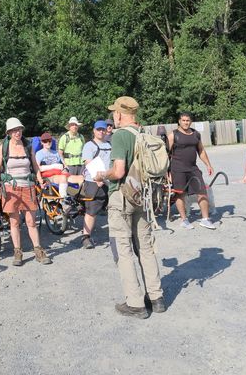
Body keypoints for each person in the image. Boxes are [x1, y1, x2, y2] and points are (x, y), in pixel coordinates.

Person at [94, 96, 165, 319]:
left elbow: (118, 171)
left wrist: (102, 174)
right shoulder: (144, 134)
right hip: (144, 198)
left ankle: (135, 303)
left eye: (114, 112)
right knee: (145, 247)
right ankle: (156, 297)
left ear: (119, 114)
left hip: (123, 198)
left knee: (122, 249)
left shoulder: (120, 136)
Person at [0, 117, 51, 266]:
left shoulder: (28, 146)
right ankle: (17, 252)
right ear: (9, 132)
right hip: (10, 188)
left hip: (28, 186)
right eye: (13, 130)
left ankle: (38, 250)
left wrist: (40, 180)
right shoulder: (3, 147)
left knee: (31, 221)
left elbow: (35, 166)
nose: (17, 132)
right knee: (14, 222)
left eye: (18, 129)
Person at [167, 112, 216, 230]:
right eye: (183, 120)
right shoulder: (173, 135)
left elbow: (201, 151)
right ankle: (184, 220)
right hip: (177, 169)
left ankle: (205, 219)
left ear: (191, 121)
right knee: (180, 194)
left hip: (193, 168)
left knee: (202, 191)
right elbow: (166, 155)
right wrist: (167, 172)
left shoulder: (196, 134)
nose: (185, 122)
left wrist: (208, 165)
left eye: (187, 120)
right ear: (179, 121)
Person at [80, 120, 112, 249]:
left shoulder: (110, 144)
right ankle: (86, 237)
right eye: (98, 129)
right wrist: (97, 178)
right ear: (94, 130)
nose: (101, 131)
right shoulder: (89, 145)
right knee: (92, 210)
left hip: (109, 180)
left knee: (113, 208)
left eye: (103, 129)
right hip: (94, 181)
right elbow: (89, 162)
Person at [35, 132, 70, 200]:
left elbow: (64, 166)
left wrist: (64, 169)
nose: (48, 143)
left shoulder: (56, 153)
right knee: (63, 178)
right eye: (45, 141)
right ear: (42, 142)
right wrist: (54, 166)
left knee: (80, 178)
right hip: (48, 177)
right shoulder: (39, 154)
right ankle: (64, 200)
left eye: (49, 141)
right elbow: (37, 168)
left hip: (59, 174)